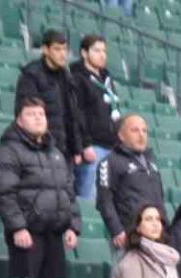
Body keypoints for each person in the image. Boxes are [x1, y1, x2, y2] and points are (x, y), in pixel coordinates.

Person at [0, 97, 80, 278]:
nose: (38, 118)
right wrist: (18, 228)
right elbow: (4, 194)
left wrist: (73, 226)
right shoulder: (8, 151)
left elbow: (68, 192)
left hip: (54, 234)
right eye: (31, 114)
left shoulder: (56, 153)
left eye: (41, 114)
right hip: (28, 234)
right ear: (19, 121)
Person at [14, 29, 84, 163]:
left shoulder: (67, 77)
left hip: (65, 151)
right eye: (57, 49)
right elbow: (25, 112)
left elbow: (72, 115)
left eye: (65, 49)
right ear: (45, 50)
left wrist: (76, 148)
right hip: (42, 149)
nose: (62, 54)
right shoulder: (31, 75)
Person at [95, 114, 162, 251]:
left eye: (144, 130)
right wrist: (116, 230)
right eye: (135, 130)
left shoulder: (152, 162)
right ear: (121, 135)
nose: (141, 135)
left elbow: (160, 198)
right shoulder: (109, 162)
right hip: (128, 235)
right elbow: (104, 200)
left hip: (155, 235)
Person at [69, 34, 121, 201]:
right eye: (97, 50)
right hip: (93, 147)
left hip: (111, 146)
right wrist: (85, 144)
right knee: (88, 198)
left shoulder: (107, 78)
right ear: (84, 53)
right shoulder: (77, 78)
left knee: (106, 199)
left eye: (104, 51)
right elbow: (77, 113)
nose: (102, 55)